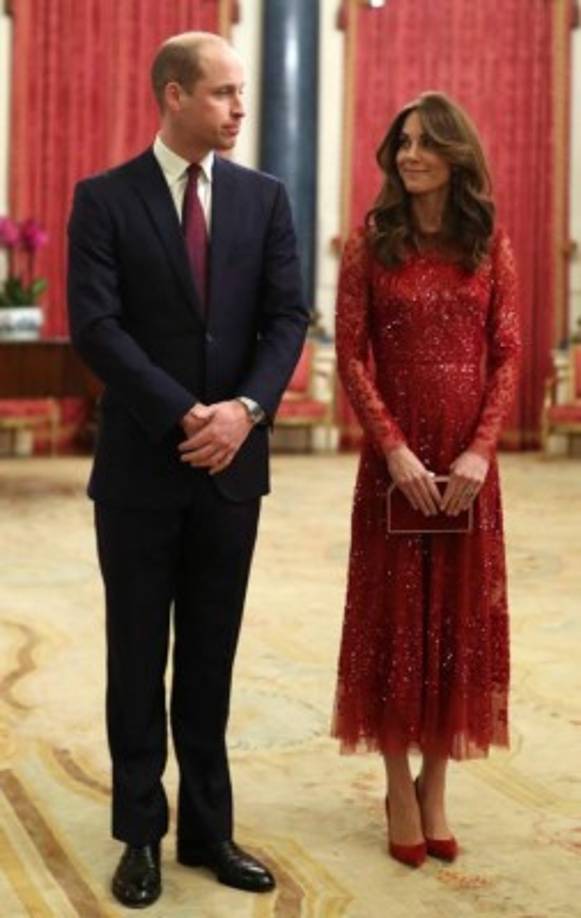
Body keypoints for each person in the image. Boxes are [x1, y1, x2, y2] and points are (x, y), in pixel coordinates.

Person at [68, 31, 308, 908]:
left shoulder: (265, 198)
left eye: (242, 93)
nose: (239, 108)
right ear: (172, 95)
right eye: (222, 93)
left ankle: (210, 833)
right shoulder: (104, 200)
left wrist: (243, 412)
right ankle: (140, 837)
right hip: (139, 470)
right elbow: (97, 327)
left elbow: (286, 319)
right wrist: (185, 413)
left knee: (210, 660)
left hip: (230, 469)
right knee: (137, 660)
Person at [331, 92, 520, 868]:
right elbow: (350, 355)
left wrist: (478, 451)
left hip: (468, 470)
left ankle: (434, 782)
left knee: (454, 626)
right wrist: (395, 450)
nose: (409, 155)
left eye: (424, 143)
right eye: (400, 143)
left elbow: (507, 354)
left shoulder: (488, 244)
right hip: (395, 464)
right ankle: (396, 787)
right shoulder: (369, 244)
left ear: (455, 154)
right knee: (393, 622)